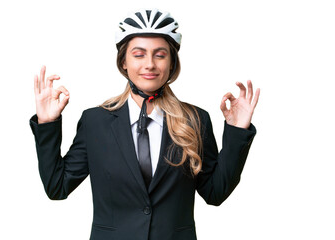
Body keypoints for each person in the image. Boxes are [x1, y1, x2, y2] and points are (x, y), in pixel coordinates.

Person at [30, 8, 260, 240]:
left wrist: (237, 131)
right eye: (139, 54)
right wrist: (47, 123)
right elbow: (57, 187)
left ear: (171, 64)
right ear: (124, 63)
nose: (149, 64)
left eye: (160, 55)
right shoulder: (95, 122)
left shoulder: (195, 120)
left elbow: (215, 192)